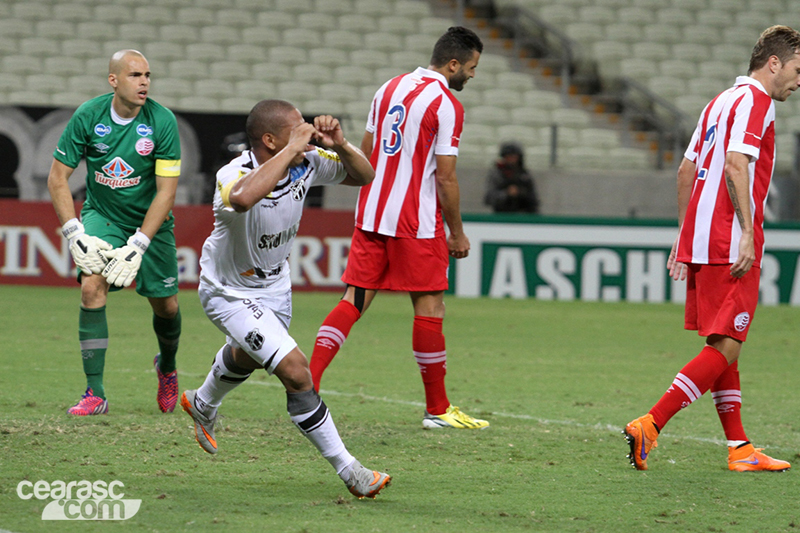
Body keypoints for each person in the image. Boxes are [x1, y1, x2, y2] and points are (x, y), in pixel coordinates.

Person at [179, 99, 391, 499]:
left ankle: (203, 402)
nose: (306, 132)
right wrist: (295, 149)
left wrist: (342, 144)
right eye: (296, 129)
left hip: (276, 287)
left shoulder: (306, 161)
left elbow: (364, 175)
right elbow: (242, 199)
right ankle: (352, 472)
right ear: (270, 139)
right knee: (295, 370)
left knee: (248, 355)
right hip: (229, 291)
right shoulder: (234, 173)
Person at [624, 25, 800, 472]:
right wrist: (745, 232)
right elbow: (735, 163)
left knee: (725, 343)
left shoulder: (718, 102)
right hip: (729, 239)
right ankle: (651, 423)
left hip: (703, 239)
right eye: (798, 69)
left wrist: (684, 236)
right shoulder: (757, 103)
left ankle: (740, 449)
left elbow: (686, 172)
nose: (799, 81)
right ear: (774, 63)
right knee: (727, 345)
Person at [308, 27, 489, 430]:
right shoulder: (446, 104)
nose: (472, 77)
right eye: (472, 68)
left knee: (353, 300)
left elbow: (365, 153)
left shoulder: (387, 88)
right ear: (454, 63)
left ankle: (308, 384)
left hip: (371, 214)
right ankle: (437, 410)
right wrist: (456, 232)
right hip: (416, 222)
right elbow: (445, 179)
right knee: (430, 307)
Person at [47, 50, 182, 416]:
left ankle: (167, 367)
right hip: (102, 216)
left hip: (150, 222)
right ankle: (96, 392)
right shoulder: (89, 115)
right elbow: (58, 178)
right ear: (114, 80)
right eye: (136, 75)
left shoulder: (162, 121)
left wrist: (139, 243)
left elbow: (166, 193)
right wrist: (74, 231)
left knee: (166, 306)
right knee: (91, 286)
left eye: (148, 75)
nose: (144, 83)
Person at [483, 142, 540, 213]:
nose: (511, 160)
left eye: (514, 157)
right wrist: (506, 193)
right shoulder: (497, 175)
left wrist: (520, 192)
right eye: (509, 156)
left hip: (522, 215)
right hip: (501, 216)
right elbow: (489, 198)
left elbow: (534, 199)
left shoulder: (524, 175)